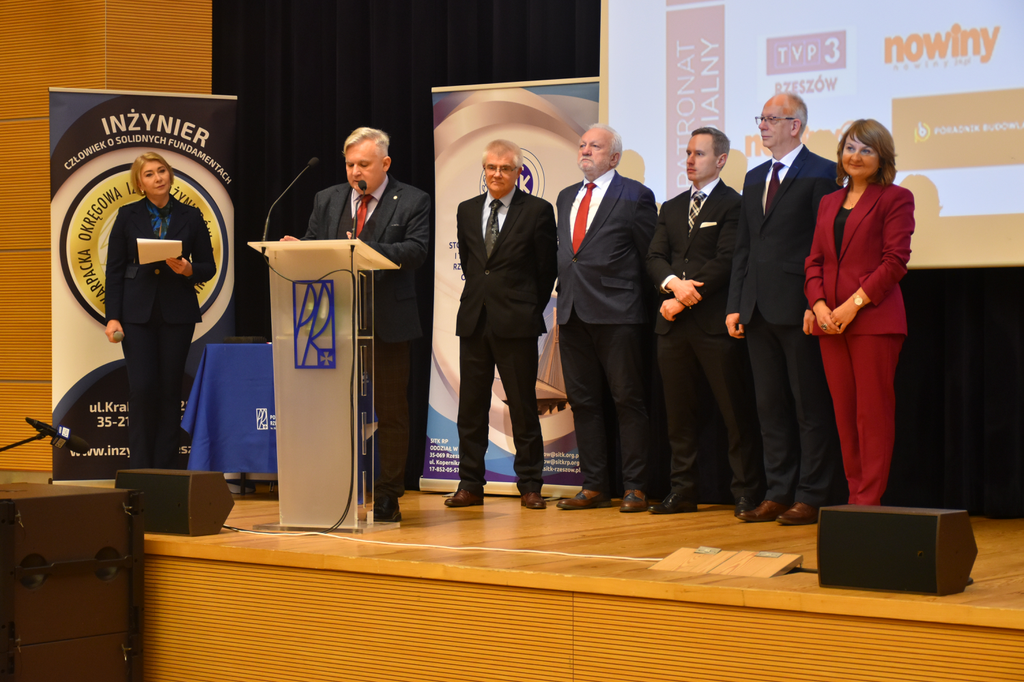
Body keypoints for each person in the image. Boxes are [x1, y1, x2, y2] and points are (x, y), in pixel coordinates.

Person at [283, 127, 429, 523]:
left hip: (387, 322)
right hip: (332, 322)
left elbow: (416, 250)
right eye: (349, 164)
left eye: (363, 164)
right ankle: (333, 488)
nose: (354, 172)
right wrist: (300, 250)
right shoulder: (327, 198)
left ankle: (388, 495)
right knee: (332, 410)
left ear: (385, 163)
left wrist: (361, 249)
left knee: (391, 412)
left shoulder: (412, 199)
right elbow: (315, 243)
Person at [726, 93, 841, 526]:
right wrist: (736, 305)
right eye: (761, 118)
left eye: (771, 119)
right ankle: (777, 492)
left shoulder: (822, 172)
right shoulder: (755, 177)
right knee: (769, 407)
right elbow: (744, 247)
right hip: (757, 310)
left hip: (800, 308)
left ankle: (811, 494)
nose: (762, 125)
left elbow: (825, 246)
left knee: (809, 408)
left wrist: (816, 301)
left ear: (795, 125)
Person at [646, 127, 763, 516]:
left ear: (721, 159)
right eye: (688, 153)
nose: (690, 160)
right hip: (672, 329)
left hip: (715, 325)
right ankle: (683, 490)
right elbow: (655, 257)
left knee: (734, 413)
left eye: (699, 153)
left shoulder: (734, 204)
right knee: (678, 415)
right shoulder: (671, 206)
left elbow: (727, 260)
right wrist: (672, 285)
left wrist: (681, 301)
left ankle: (746, 492)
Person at [805, 119, 914, 506]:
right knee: (845, 415)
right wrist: (819, 305)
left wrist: (852, 306)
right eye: (850, 148)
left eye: (867, 150)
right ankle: (855, 498)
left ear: (882, 157)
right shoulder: (828, 201)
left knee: (872, 414)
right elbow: (814, 261)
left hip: (873, 321)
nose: (856, 156)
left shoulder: (896, 198)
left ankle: (867, 503)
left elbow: (895, 261)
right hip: (830, 323)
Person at [445, 139, 558, 510]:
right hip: (474, 321)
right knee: (471, 409)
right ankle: (470, 484)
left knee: (523, 407)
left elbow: (546, 269)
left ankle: (531, 486)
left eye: (505, 168)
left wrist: (525, 307)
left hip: (517, 323)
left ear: (518, 172)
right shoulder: (466, 210)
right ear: (484, 170)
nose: (497, 174)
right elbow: (472, 264)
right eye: (491, 167)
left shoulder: (538, 210)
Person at [554, 124, 658, 512]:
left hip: (618, 314)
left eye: (594, 146)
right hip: (573, 313)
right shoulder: (566, 196)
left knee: (628, 400)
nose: (585, 150)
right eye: (582, 145)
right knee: (583, 402)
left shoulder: (635, 195)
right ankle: (594, 485)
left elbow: (649, 255)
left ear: (614, 157)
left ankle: (635, 487)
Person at [105, 151, 216, 469]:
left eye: (162, 171)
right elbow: (114, 270)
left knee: (170, 390)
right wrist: (113, 317)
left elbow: (208, 266)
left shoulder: (191, 215)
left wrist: (188, 270)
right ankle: (140, 469)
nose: (158, 178)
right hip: (135, 315)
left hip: (177, 314)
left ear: (170, 175)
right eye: (150, 174)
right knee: (142, 389)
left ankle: (166, 470)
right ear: (140, 183)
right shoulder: (127, 215)